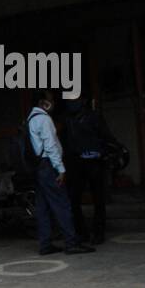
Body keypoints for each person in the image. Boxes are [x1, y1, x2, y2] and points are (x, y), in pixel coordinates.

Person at [28, 92, 95, 257]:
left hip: (37, 167)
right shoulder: (43, 119)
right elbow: (50, 146)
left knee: (43, 207)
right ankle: (71, 242)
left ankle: (45, 244)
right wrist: (61, 169)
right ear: (43, 102)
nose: (54, 103)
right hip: (48, 166)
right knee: (62, 204)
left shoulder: (30, 118)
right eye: (51, 100)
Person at [62, 98, 119, 246]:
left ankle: (97, 233)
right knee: (75, 199)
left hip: (94, 162)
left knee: (98, 198)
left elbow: (105, 137)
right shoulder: (68, 119)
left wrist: (101, 152)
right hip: (76, 163)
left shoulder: (93, 117)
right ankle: (82, 232)